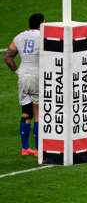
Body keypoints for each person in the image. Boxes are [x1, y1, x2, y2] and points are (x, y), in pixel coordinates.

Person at [3, 13, 44, 156]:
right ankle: (39, 149)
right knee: (39, 113)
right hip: (37, 76)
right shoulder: (42, 36)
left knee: (26, 113)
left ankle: (25, 148)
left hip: (23, 76)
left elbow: (7, 57)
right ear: (42, 23)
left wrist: (17, 72)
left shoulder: (19, 37)